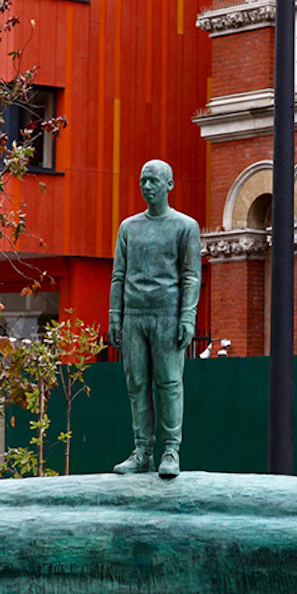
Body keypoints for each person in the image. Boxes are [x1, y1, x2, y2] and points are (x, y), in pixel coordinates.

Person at [109, 160, 201, 478]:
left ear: (169, 185)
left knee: (169, 382)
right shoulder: (128, 228)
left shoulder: (185, 227)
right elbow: (118, 276)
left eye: (153, 181)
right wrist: (115, 316)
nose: (147, 187)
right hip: (134, 316)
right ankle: (142, 451)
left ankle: (171, 450)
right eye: (143, 181)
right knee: (136, 383)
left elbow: (191, 276)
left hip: (167, 315)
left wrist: (187, 316)